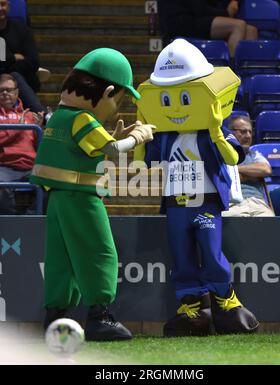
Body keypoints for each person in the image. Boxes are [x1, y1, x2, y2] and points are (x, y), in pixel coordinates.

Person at [135, 39, 259, 336]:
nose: (176, 107)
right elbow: (143, 167)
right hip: (176, 203)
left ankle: (226, 302)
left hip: (205, 202)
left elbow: (233, 157)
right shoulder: (164, 137)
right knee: (181, 255)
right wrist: (141, 132)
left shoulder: (212, 131)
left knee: (211, 252)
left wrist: (217, 130)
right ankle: (192, 307)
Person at [30, 48, 155, 341]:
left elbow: (97, 147)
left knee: (62, 260)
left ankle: (55, 318)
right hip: (82, 198)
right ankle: (99, 317)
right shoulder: (82, 119)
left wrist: (117, 138)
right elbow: (110, 150)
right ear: (108, 91)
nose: (118, 106)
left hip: (58, 199)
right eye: (119, 99)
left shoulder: (58, 117)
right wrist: (138, 137)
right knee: (99, 252)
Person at [0, 73, 43, 214]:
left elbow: (38, 147)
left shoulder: (30, 116)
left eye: (9, 90)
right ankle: (12, 224)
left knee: (51, 183)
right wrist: (18, 128)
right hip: (5, 166)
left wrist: (39, 130)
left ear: (17, 92)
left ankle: (30, 219)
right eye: (1, 90)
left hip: (30, 166)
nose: (5, 93)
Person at [157, 0, 258, 58]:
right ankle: (231, 73)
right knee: (238, 25)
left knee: (251, 30)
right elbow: (199, 10)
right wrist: (226, 13)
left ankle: (247, 76)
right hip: (181, 23)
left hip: (197, 19)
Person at [222, 115, 275, 217]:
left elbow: (266, 170)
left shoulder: (254, 155)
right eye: (243, 131)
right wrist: (252, 176)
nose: (248, 136)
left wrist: (234, 169)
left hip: (257, 203)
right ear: (230, 133)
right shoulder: (221, 155)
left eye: (250, 132)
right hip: (231, 204)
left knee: (270, 221)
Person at [0, 0, 44, 113]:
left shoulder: (22, 29)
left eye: (2, 4)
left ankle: (41, 116)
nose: (0, 8)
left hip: (19, 77)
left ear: (9, 6)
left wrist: (8, 69)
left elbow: (33, 61)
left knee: (15, 77)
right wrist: (14, 58)